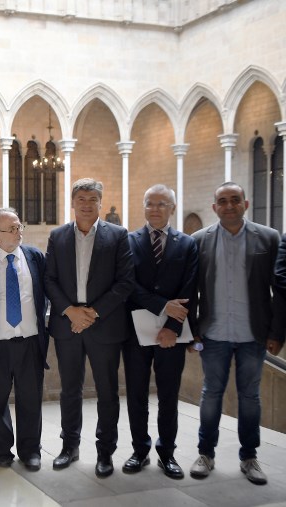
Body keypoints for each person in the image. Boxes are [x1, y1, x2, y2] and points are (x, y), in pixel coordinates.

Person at [188, 182, 284, 485]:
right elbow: (190, 290)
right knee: (211, 394)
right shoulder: (199, 240)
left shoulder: (268, 238)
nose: (229, 206)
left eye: (234, 200)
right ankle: (206, 453)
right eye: (222, 201)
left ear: (245, 203)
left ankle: (249, 457)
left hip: (252, 334)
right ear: (214, 206)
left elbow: (280, 290)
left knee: (250, 397)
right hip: (213, 333)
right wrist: (192, 330)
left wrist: (277, 333)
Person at [44, 177, 134, 478]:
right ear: (72, 203)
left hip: (104, 325)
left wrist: (92, 313)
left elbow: (125, 282)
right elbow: (49, 279)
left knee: (107, 392)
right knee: (70, 390)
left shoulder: (119, 236)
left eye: (92, 199)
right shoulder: (57, 236)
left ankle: (105, 453)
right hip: (67, 324)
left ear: (100, 203)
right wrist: (70, 311)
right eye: (80, 198)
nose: (86, 204)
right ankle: (69, 447)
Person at [122, 184, 198, 479]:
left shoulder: (187, 244)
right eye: (150, 204)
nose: (155, 209)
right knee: (137, 395)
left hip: (172, 335)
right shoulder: (128, 241)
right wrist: (164, 306)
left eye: (162, 204)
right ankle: (139, 451)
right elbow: (128, 284)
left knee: (168, 395)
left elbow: (190, 289)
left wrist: (173, 328)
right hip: (135, 334)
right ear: (144, 207)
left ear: (173, 209)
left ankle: (167, 453)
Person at [0, 208, 48, 470]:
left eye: (19, 226)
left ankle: (30, 451)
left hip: (30, 342)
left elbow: (49, 293)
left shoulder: (35, 257)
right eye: (12, 228)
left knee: (30, 399)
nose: (19, 232)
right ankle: (2, 449)